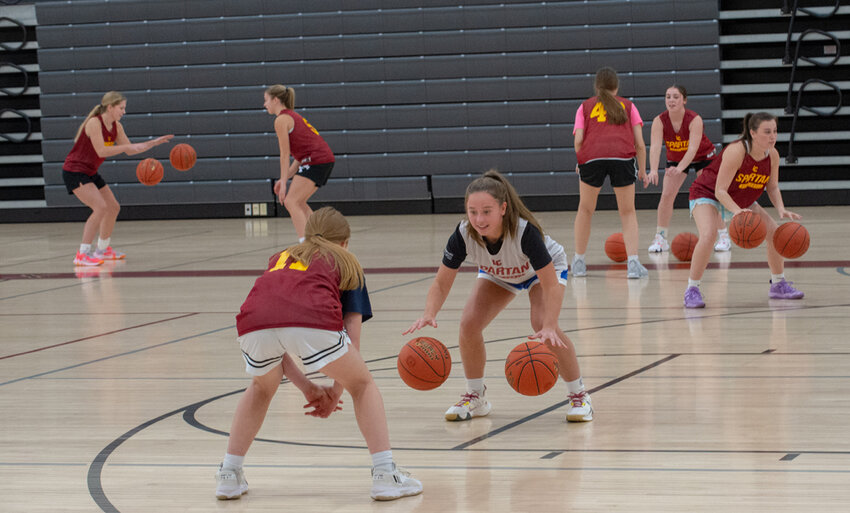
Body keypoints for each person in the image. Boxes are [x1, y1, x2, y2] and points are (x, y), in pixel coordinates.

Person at [215, 207, 422, 502]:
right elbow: (352, 330)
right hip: (309, 320)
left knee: (261, 387)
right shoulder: (345, 260)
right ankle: (385, 474)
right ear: (345, 242)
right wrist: (338, 390)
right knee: (362, 385)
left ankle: (229, 474)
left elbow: (277, 331)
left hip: (252, 323)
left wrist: (308, 387)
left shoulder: (281, 257)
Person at [404, 170, 593, 423]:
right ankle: (476, 396)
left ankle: (579, 395)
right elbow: (441, 282)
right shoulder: (463, 235)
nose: (479, 219)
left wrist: (550, 324)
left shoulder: (526, 233)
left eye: (486, 211)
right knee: (469, 324)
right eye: (473, 211)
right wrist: (429, 313)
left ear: (503, 208)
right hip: (500, 272)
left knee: (542, 324)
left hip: (541, 272)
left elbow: (549, 285)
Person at [684, 112, 804, 308]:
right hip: (708, 193)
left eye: (775, 131)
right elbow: (720, 190)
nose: (773, 136)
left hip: (741, 198)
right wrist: (737, 211)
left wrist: (781, 209)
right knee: (708, 235)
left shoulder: (772, 154)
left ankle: (778, 284)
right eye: (767, 132)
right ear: (753, 133)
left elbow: (772, 186)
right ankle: (692, 290)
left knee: (776, 234)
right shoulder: (737, 150)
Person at [63, 91, 173, 266]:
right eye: (121, 108)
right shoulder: (94, 123)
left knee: (113, 207)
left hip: (90, 171)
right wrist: (125, 147)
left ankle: (102, 250)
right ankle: (82, 254)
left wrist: (153, 143)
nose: (124, 112)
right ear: (110, 107)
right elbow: (101, 151)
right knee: (100, 207)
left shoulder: (117, 127)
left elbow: (130, 149)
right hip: (74, 171)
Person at [571, 67, 649, 279]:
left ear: (597, 87)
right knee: (627, 212)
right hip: (621, 157)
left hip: (592, 158)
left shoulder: (584, 107)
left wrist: (582, 160)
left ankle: (578, 263)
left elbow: (578, 140)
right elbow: (640, 144)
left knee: (585, 210)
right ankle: (633, 264)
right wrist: (642, 170)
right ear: (617, 86)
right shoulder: (629, 106)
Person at [646, 85, 730, 253]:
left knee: (709, 195)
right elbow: (655, 147)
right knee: (667, 195)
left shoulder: (694, 119)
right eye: (668, 96)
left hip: (703, 156)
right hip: (677, 158)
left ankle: (723, 236)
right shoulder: (659, 120)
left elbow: (692, 149)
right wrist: (653, 170)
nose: (671, 100)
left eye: (675, 97)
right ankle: (661, 238)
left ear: (684, 100)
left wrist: (681, 168)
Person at [264, 85, 335, 242]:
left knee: (291, 201)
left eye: (266, 100)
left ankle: (307, 246)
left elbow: (284, 154)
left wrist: (283, 182)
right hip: (322, 159)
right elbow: (299, 155)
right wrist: (284, 178)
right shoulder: (292, 116)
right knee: (299, 202)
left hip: (317, 159)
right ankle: (319, 241)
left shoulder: (281, 119)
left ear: (276, 100)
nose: (265, 104)